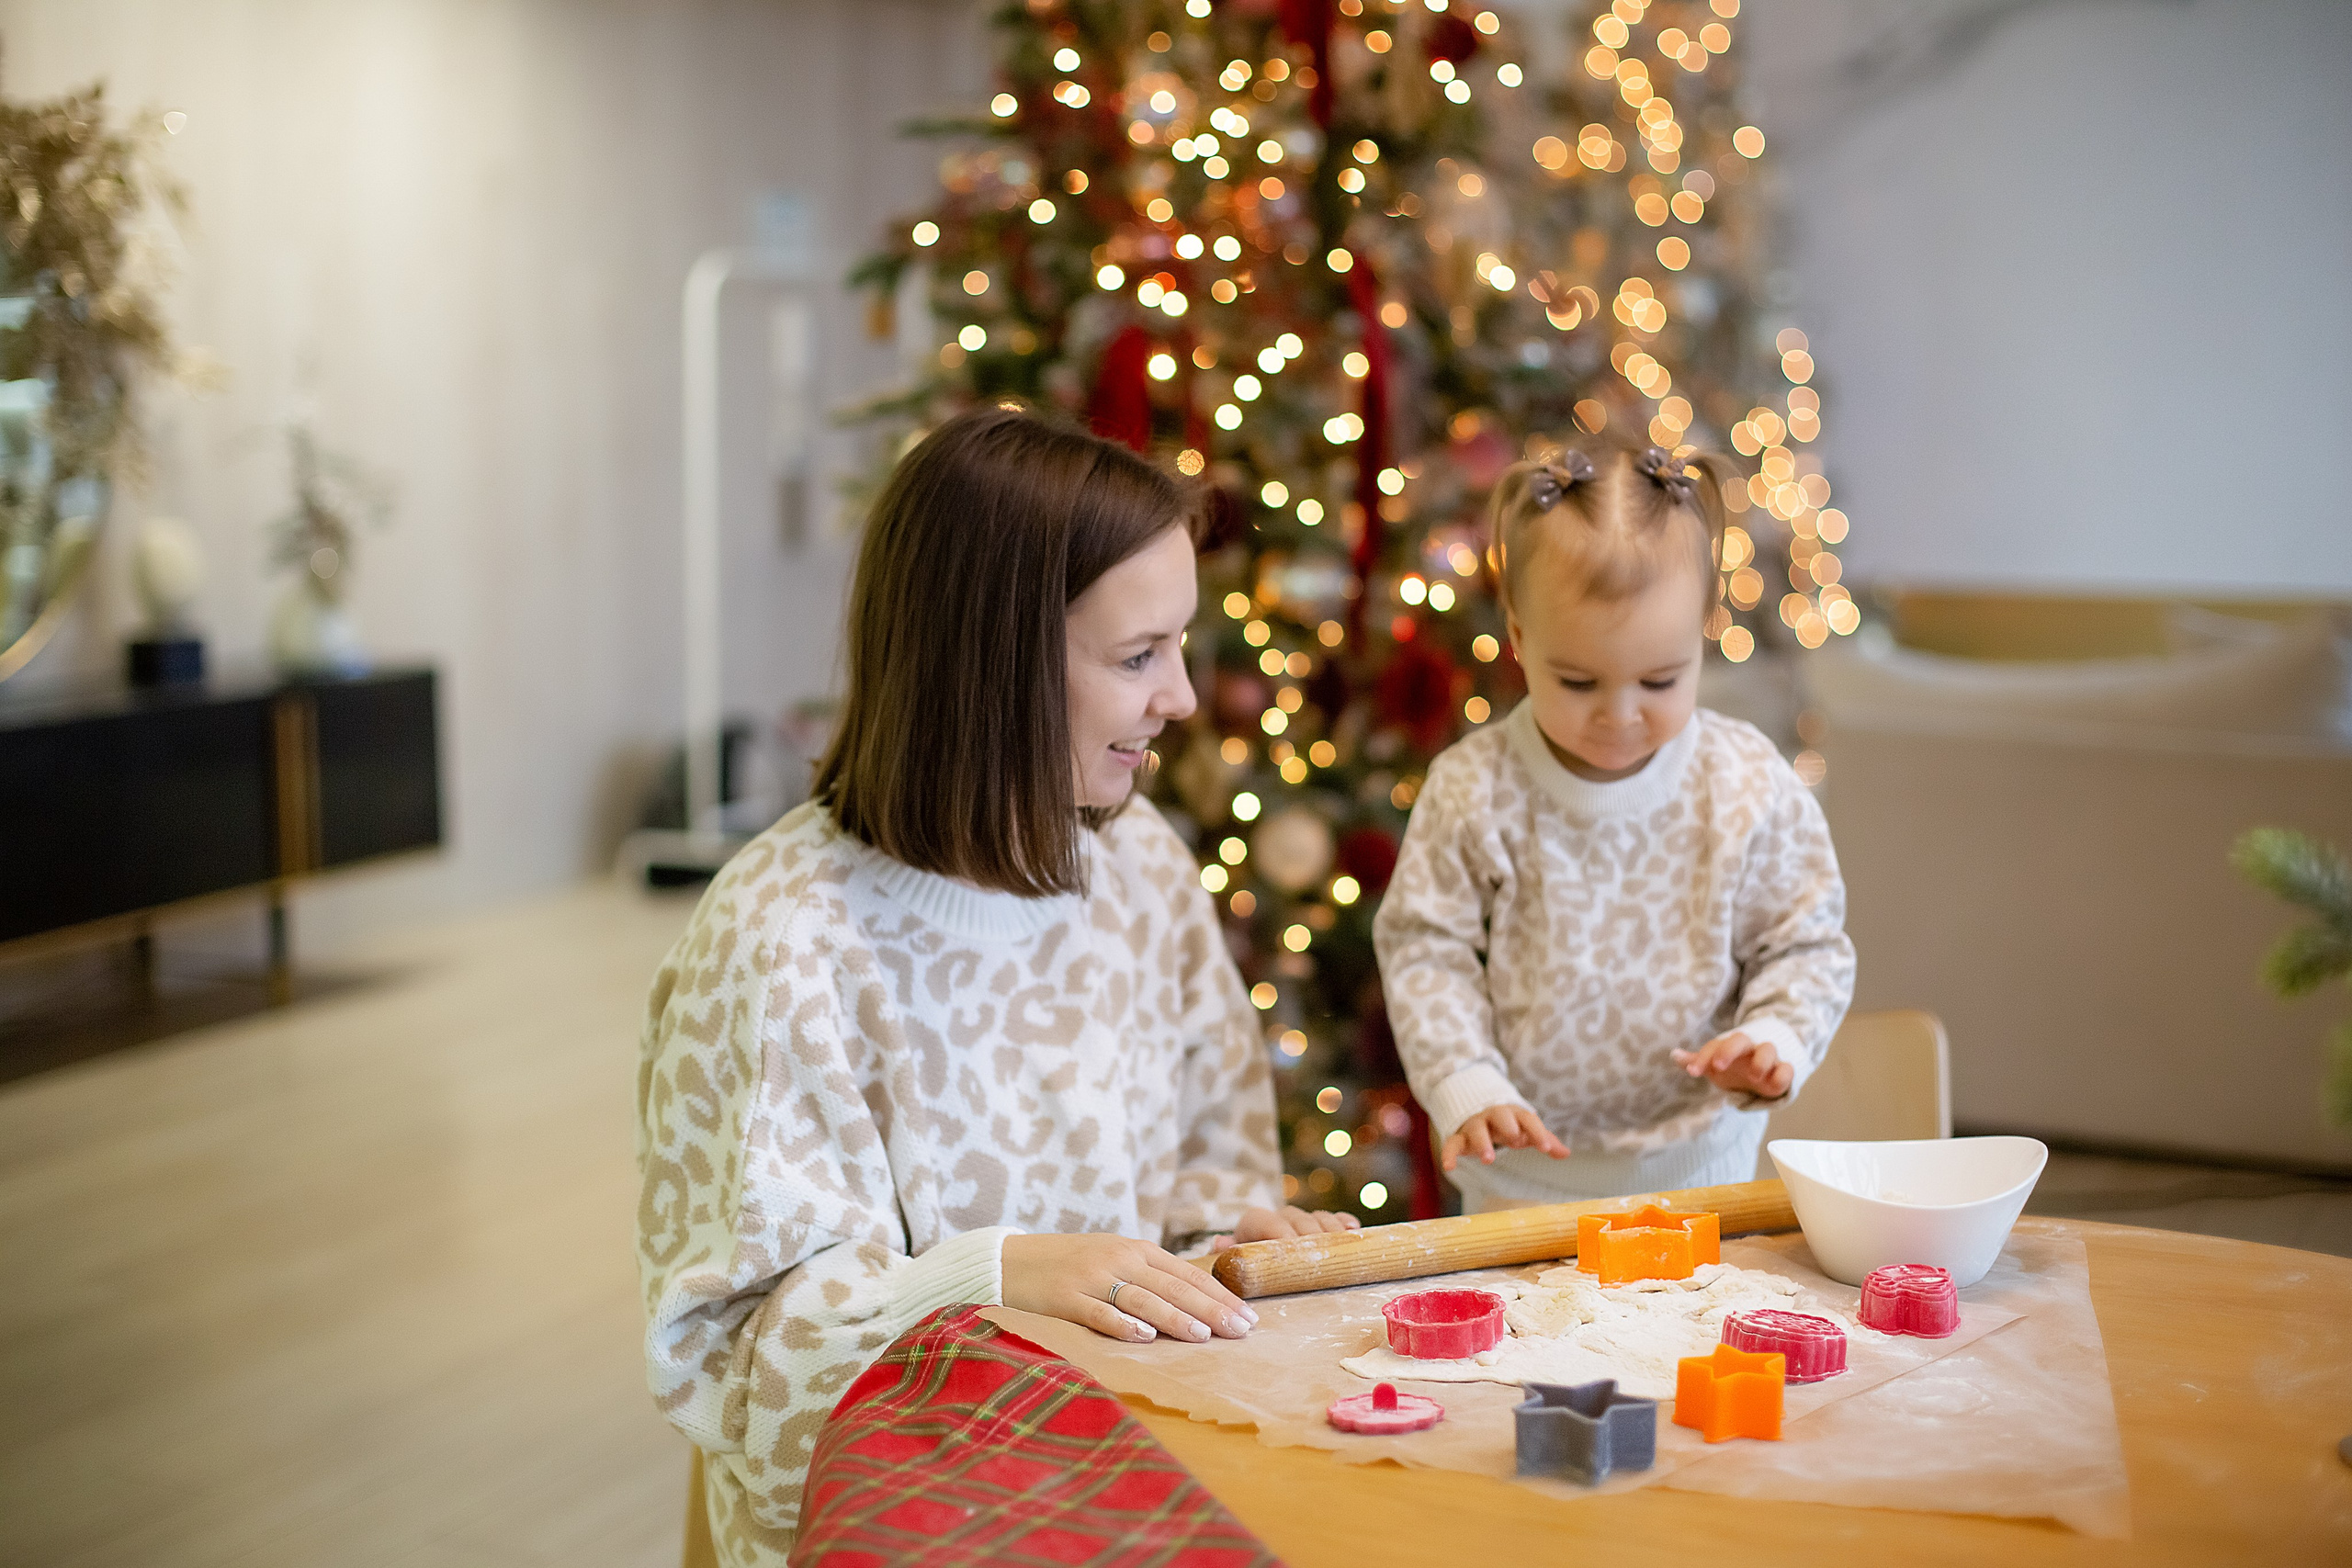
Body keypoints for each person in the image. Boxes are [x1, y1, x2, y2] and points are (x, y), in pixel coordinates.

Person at [636, 408, 1352, 1564]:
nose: (1180, 697)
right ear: (994, 668)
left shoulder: (1139, 865)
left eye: (1177, 647)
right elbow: (737, 1365)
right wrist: (997, 1272)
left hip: (1128, 1476)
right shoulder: (781, 943)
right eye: (1138, 657)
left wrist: (1223, 1245)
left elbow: (1207, 1166)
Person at [1373, 442, 1855, 1212]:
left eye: (1660, 680)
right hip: (1519, 1181)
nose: (1620, 714)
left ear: (1702, 634)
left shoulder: (1745, 782)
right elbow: (1425, 948)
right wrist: (1466, 1080)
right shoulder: (1475, 787)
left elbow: (1805, 943)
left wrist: (1776, 1038)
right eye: (1578, 681)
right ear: (1520, 637)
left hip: (1701, 1175)